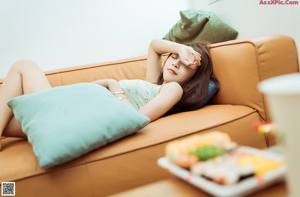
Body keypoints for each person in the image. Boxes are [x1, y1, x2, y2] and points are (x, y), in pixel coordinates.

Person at [0, 39, 216, 150]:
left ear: (194, 77)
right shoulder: (152, 83)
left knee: (24, 66)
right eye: (173, 57)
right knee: (6, 119)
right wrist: (182, 49)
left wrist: (113, 86)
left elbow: (138, 119)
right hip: (79, 104)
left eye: (185, 64)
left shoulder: (173, 89)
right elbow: (154, 45)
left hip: (82, 114)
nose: (176, 63)